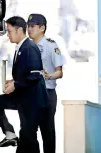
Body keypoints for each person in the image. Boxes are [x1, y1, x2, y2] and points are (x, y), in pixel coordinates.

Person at [0, 16, 50, 153]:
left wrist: (16, 84)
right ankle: (10, 134)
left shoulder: (30, 47)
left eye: (9, 31)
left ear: (19, 30)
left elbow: (34, 76)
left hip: (33, 100)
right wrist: (13, 82)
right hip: (23, 97)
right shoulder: (21, 48)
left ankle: (15, 139)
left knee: (29, 138)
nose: (7, 35)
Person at [27, 14, 63, 153]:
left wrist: (49, 76)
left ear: (42, 28)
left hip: (46, 93)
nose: (29, 29)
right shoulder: (26, 46)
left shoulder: (50, 45)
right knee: (28, 131)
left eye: (33, 26)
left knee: (47, 131)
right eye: (28, 26)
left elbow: (59, 72)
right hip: (30, 94)